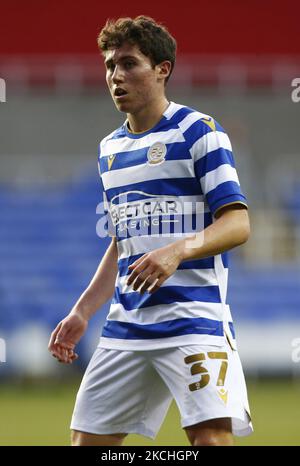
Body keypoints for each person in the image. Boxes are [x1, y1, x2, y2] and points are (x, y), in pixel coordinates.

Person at [48, 15, 253, 446]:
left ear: (163, 69)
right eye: (109, 65)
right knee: (86, 444)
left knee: (211, 440)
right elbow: (122, 244)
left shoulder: (200, 131)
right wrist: (83, 311)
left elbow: (237, 223)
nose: (115, 76)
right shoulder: (110, 150)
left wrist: (176, 251)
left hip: (193, 321)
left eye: (128, 63)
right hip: (127, 326)